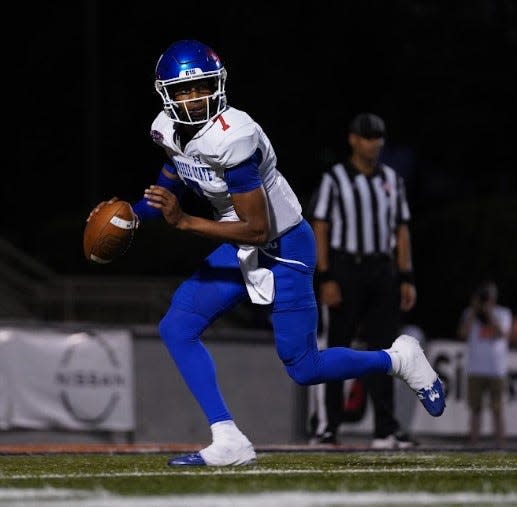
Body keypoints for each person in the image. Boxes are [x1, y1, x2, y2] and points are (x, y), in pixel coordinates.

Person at [88, 40, 445, 466]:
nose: (194, 98)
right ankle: (228, 438)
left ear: (217, 86)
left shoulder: (233, 137)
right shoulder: (166, 128)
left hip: (284, 246)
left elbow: (257, 229)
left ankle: (398, 359)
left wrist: (184, 222)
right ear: (166, 95)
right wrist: (130, 215)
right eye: (183, 91)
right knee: (177, 327)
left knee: (304, 367)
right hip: (237, 242)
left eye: (201, 87)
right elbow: (169, 184)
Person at [308, 113, 419, 449]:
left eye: (379, 137)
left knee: (385, 351)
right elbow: (321, 227)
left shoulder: (392, 181)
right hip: (346, 268)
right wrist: (325, 275)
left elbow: (401, 231)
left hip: (381, 271)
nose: (375, 143)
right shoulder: (335, 179)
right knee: (335, 349)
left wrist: (406, 276)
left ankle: (385, 428)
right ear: (353, 140)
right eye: (369, 137)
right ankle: (328, 426)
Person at [457, 281, 513, 448]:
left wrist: (489, 313)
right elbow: (462, 333)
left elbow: (501, 333)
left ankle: (501, 446)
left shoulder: (503, 313)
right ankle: (473, 444)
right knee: (475, 409)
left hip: (496, 370)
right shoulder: (469, 313)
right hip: (476, 369)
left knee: (497, 410)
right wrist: (474, 312)